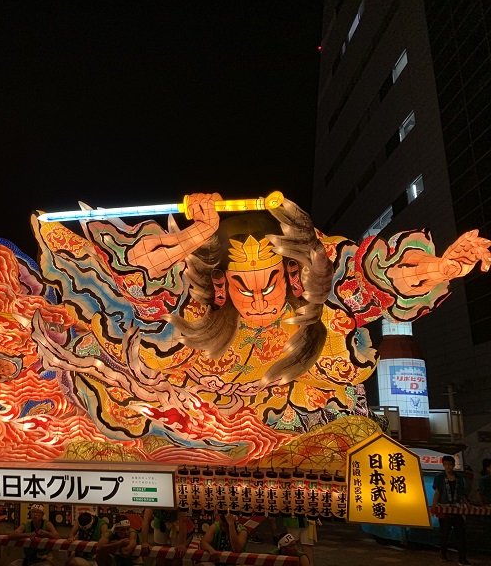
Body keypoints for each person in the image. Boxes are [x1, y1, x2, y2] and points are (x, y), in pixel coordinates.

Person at [31, 193, 491, 462]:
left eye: (269, 282)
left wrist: (439, 268)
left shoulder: (320, 306)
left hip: (292, 429)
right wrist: (196, 234)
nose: (258, 297)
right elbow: (140, 276)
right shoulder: (196, 315)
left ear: (290, 276)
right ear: (222, 286)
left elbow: (376, 279)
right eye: (242, 285)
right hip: (194, 426)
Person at [430, 455, 471, 565]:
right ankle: (443, 554)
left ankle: (462, 559)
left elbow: (462, 494)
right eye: (446, 464)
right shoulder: (439, 477)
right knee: (445, 533)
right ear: (443, 465)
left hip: (456, 508)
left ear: (453, 465)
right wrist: (434, 506)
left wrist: (468, 505)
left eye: (450, 464)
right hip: (444, 508)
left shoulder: (459, 478)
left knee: (461, 534)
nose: (448, 466)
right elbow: (437, 492)